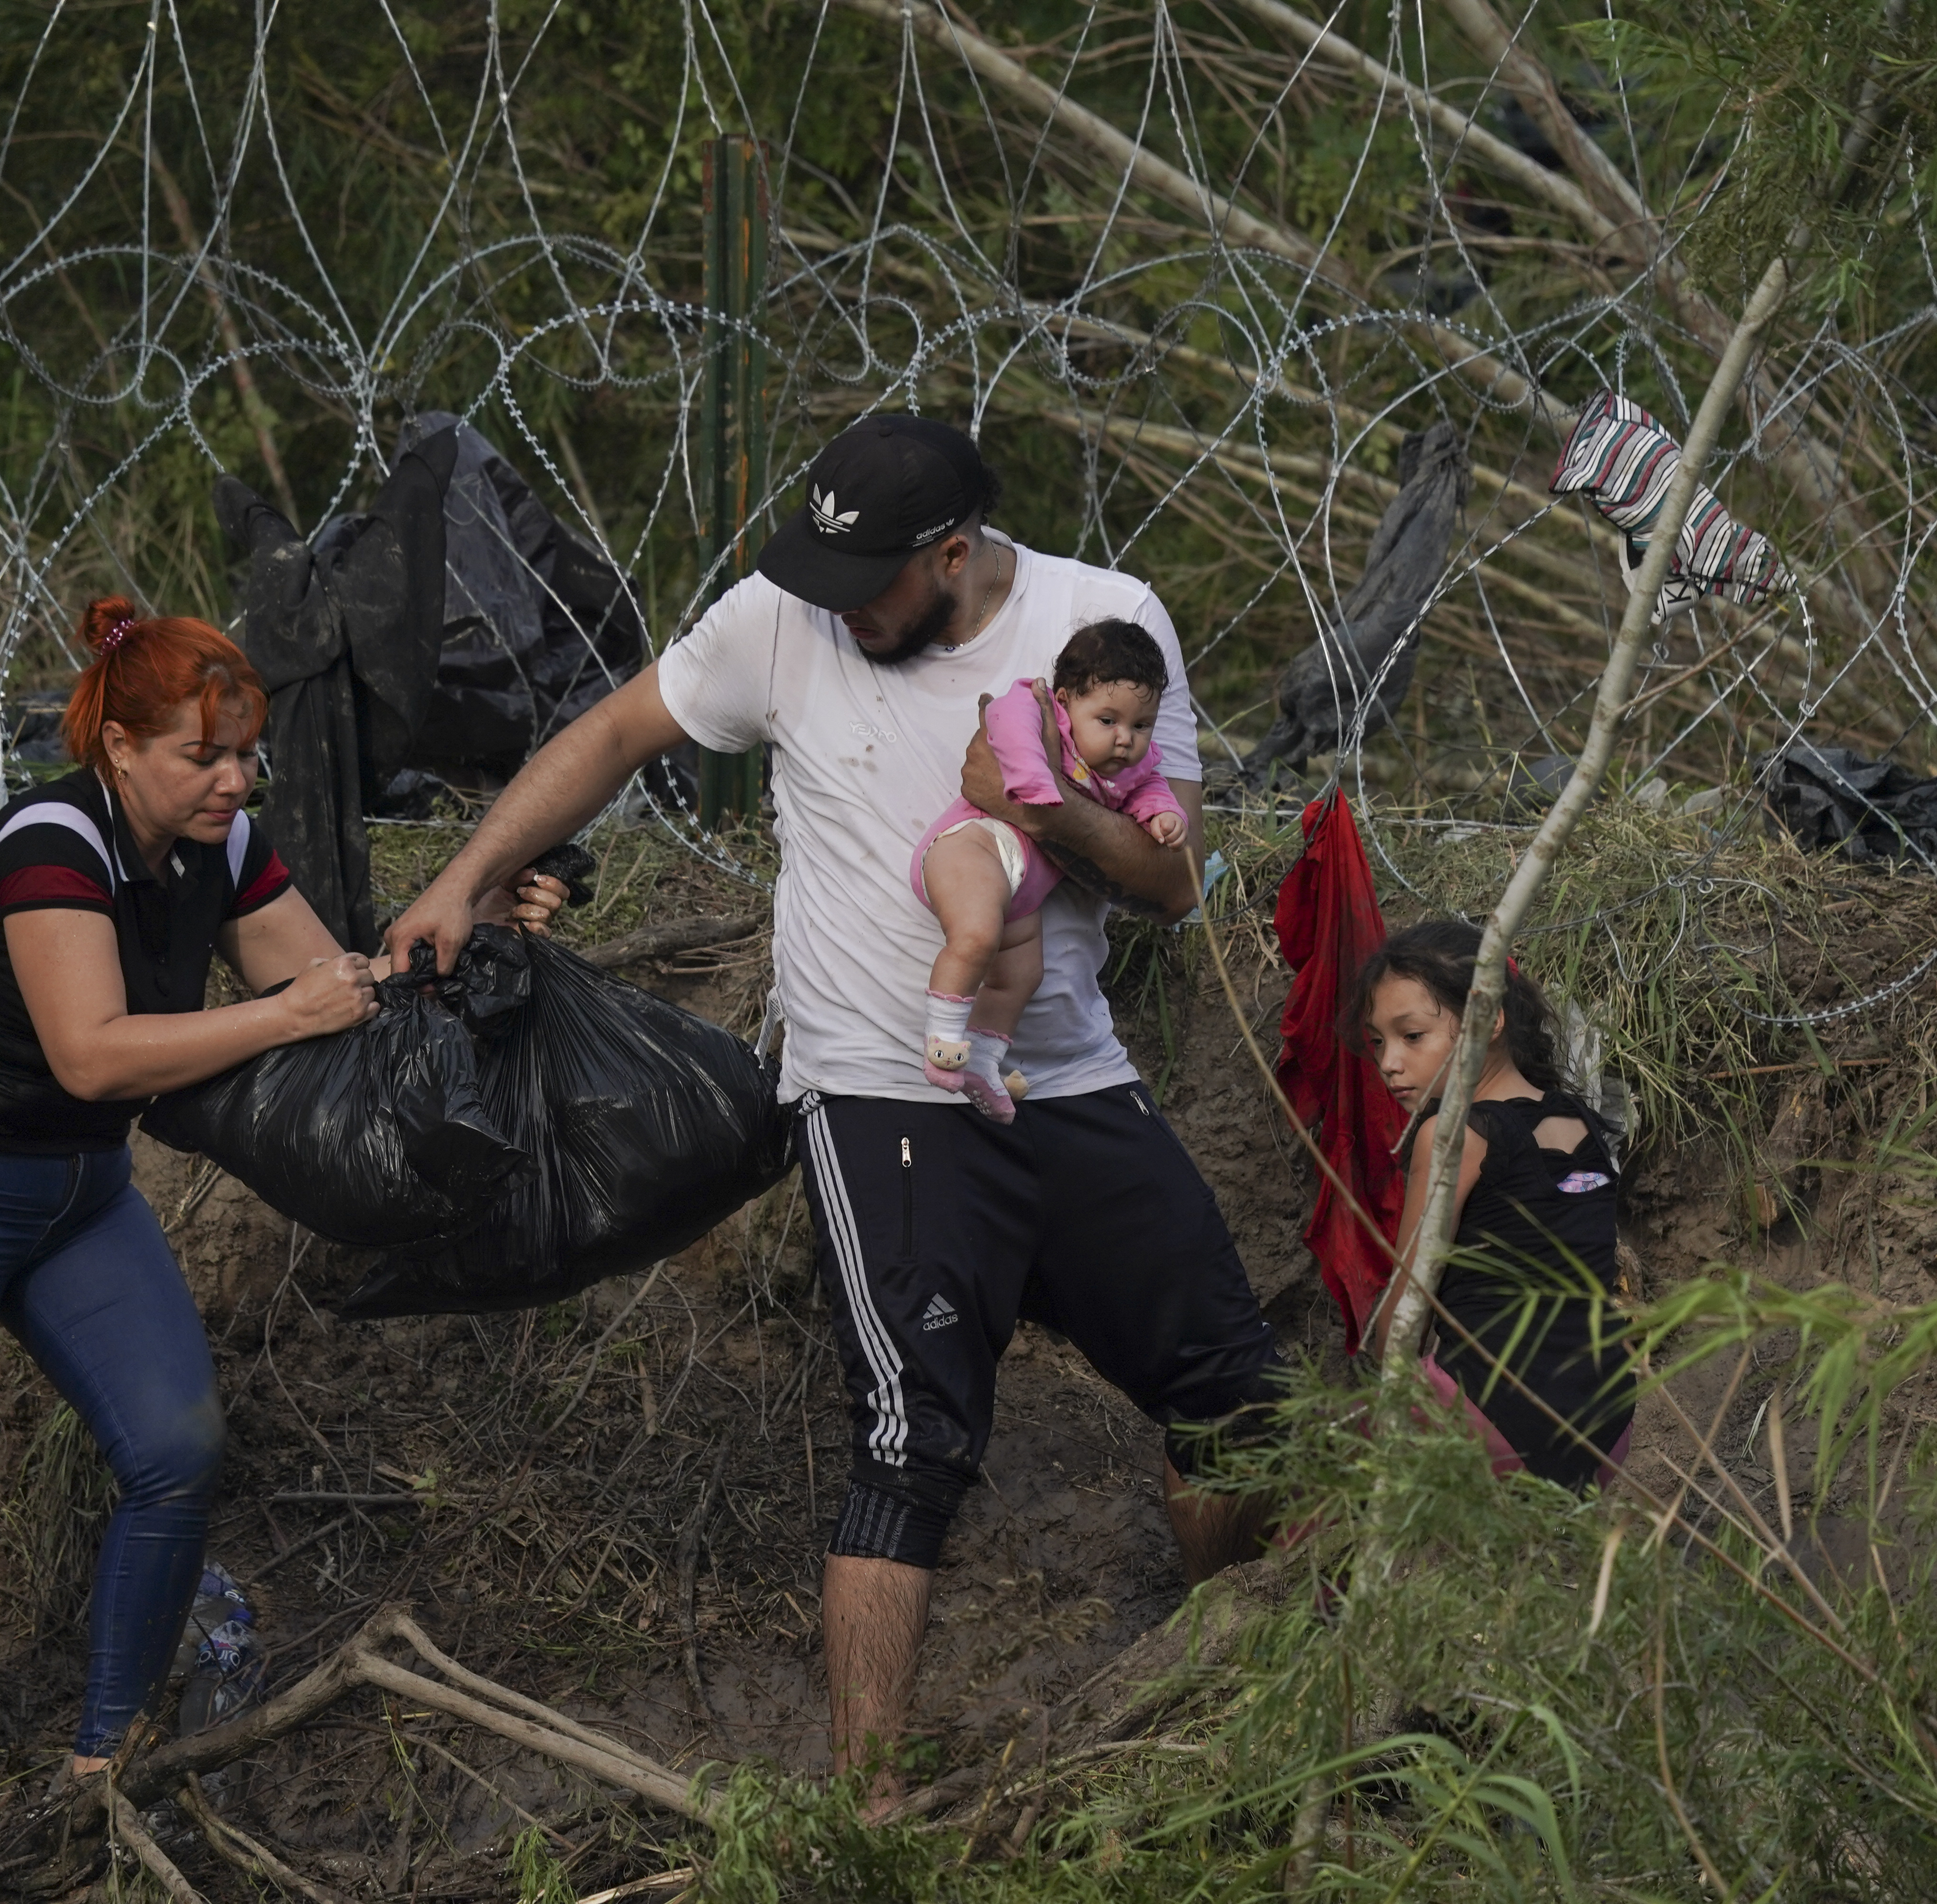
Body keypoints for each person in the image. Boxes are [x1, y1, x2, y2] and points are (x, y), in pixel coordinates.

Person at [387, 415, 1285, 1810]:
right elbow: (619, 728)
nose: (832, 605)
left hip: (1069, 1072)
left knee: (1237, 1399)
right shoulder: (782, 622)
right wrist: (463, 877)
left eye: (865, 580)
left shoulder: (1101, 622)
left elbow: (1173, 884)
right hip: (880, 1084)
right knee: (910, 1433)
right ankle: (873, 1805)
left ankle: (1230, 1678)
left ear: (950, 553)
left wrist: (1033, 813)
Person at [0, 598, 563, 1904]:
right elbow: (94, 1049)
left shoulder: (222, 845)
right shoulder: (51, 841)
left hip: (77, 1192)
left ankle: (109, 1764)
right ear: (124, 749)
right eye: (206, 758)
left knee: (176, 1452)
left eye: (246, 754)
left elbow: (335, 994)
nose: (235, 781)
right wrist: (282, 1016)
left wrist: (481, 925)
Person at [1357, 921, 1633, 1488]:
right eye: (1378, 1040)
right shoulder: (1576, 1119)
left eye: (1411, 1036)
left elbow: (1411, 1302)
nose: (1389, 1062)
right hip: (1607, 1415)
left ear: (1492, 1019)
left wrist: (1384, 1387)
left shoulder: (1456, 1134)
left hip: (1496, 1414)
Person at [910, 618, 1188, 1121]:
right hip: (974, 845)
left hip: (1024, 891)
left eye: (1141, 726)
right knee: (976, 935)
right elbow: (1004, 723)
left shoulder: (1132, 768)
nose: (1125, 740)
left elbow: (1150, 789)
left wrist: (1166, 815)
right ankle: (943, 1038)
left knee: (1022, 972)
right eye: (1108, 720)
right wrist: (1035, 785)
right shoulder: (1037, 709)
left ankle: (984, 1059)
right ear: (1066, 701)